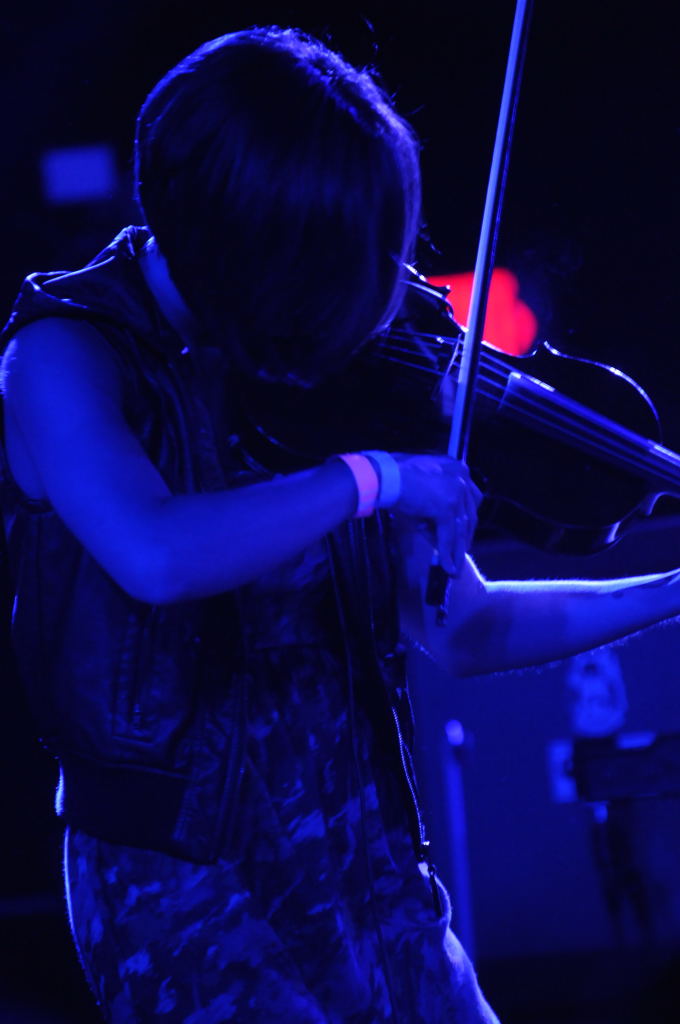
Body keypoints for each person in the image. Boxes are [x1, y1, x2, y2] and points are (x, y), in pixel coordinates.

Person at [1, 26, 680, 1024]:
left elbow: (464, 627)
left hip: (372, 869)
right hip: (186, 892)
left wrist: (669, 591)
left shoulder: (317, 369)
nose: (380, 291)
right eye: (346, 255)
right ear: (255, 237)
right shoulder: (65, 355)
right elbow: (156, 552)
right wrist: (373, 477)